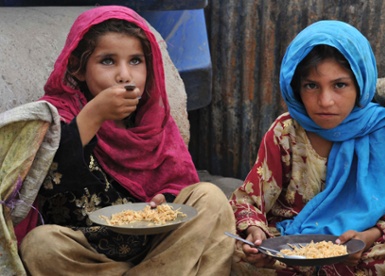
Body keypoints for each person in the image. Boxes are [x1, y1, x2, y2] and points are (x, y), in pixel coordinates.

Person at [17, 5, 235, 275]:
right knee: (40, 245)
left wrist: (164, 200)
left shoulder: (155, 122)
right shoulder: (56, 115)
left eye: (135, 61)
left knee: (211, 197)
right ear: (78, 68)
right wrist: (92, 117)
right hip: (91, 252)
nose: (124, 75)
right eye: (107, 60)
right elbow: (45, 186)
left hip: (161, 247)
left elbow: (178, 187)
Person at [229, 20, 385, 276]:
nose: (325, 101)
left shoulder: (379, 132)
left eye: (340, 85)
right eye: (311, 85)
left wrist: (366, 237)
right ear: (296, 89)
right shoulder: (286, 132)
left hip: (351, 252)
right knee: (236, 250)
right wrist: (256, 235)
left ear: (360, 83)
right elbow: (249, 200)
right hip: (290, 246)